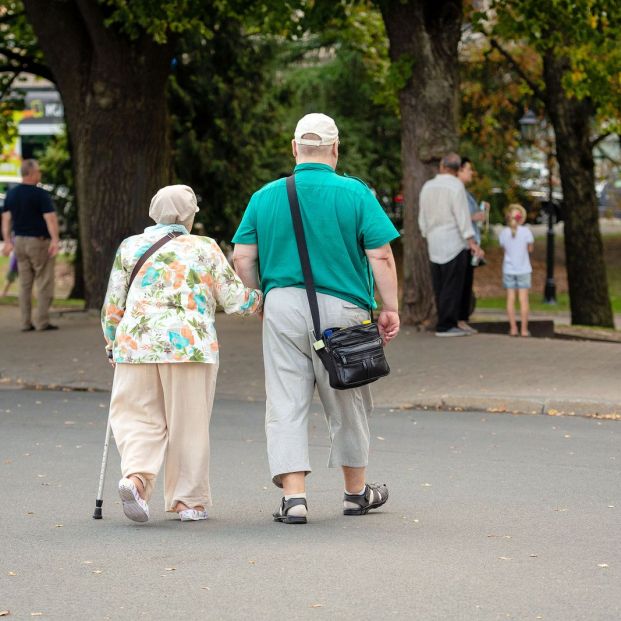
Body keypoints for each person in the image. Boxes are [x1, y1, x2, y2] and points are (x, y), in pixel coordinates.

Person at [232, 113, 400, 524]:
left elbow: (242, 256)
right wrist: (390, 307)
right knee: (347, 394)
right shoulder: (355, 194)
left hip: (283, 306)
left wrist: (258, 300)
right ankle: (356, 493)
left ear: (294, 149)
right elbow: (380, 255)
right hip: (344, 310)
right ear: (335, 150)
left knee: (286, 399)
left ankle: (294, 498)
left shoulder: (265, 196)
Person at [101, 185, 262, 523]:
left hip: (136, 346)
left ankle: (137, 480)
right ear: (189, 216)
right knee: (189, 424)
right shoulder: (204, 248)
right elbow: (233, 299)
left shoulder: (130, 246)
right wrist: (260, 299)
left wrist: (113, 341)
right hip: (190, 347)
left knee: (136, 417)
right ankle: (188, 503)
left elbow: (113, 304)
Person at [419, 153, 484, 337]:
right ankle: (447, 324)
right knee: (453, 285)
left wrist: (426, 232)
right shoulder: (456, 187)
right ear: (456, 169)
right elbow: (462, 217)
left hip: (434, 241)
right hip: (454, 242)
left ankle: (444, 321)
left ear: (441, 165)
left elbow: (422, 216)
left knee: (439, 284)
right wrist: (471, 241)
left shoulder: (427, 186)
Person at [1, 160, 59, 331]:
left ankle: (25, 322)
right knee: (43, 280)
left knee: (24, 283)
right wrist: (55, 240)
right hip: (38, 241)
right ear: (32, 173)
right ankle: (42, 321)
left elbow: (6, 219)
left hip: (19, 241)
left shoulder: (11, 194)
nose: (40, 174)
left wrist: (7, 241)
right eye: (38, 171)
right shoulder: (40, 194)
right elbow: (51, 219)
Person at [457, 157, 490, 333]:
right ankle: (459, 319)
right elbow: (458, 218)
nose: (471, 173)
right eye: (468, 169)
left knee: (466, 284)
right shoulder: (457, 192)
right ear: (460, 170)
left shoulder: (465, 193)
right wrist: (474, 217)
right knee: (462, 284)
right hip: (464, 245)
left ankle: (462, 318)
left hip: (470, 244)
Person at [499, 204, 534, 337]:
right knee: (523, 300)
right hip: (524, 269)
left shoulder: (504, 233)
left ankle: (513, 328)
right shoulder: (526, 232)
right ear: (521, 218)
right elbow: (530, 249)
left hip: (508, 269)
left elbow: (504, 249)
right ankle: (524, 329)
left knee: (510, 299)